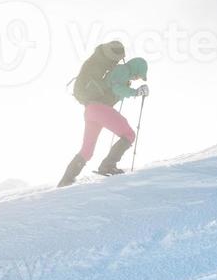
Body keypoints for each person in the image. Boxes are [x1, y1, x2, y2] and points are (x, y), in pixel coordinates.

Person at [58, 46, 150, 186]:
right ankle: (108, 166)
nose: (137, 78)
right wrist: (135, 92)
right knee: (129, 134)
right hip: (100, 109)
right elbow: (117, 88)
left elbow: (114, 88)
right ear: (136, 68)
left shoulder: (121, 73)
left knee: (87, 151)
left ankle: (66, 181)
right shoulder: (123, 70)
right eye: (139, 75)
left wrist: (131, 91)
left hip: (91, 110)